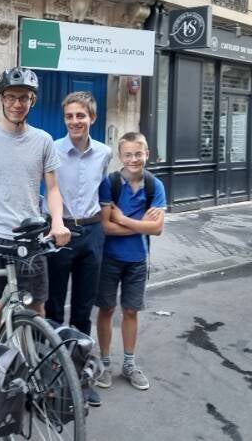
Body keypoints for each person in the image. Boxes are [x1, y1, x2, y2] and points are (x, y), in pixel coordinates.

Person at [0, 67, 70, 331]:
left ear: (33, 101)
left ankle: (28, 356)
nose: (17, 104)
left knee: (36, 312)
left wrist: (57, 222)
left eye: (24, 98)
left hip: (29, 240)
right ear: (1, 99)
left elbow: (53, 189)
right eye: (10, 97)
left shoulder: (43, 141)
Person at [44, 91, 111, 407]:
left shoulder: (105, 153)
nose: (74, 121)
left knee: (83, 311)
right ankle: (55, 377)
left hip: (92, 232)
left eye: (80, 115)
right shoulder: (52, 149)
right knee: (54, 309)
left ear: (92, 118)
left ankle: (81, 377)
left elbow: (104, 190)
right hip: (59, 232)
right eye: (69, 116)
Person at [94, 132, 166, 392]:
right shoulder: (109, 184)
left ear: (147, 154)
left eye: (138, 154)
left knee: (131, 311)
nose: (134, 159)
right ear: (120, 156)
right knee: (105, 309)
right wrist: (141, 225)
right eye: (128, 155)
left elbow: (157, 229)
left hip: (138, 260)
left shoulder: (155, 186)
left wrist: (123, 219)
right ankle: (104, 363)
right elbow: (105, 227)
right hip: (109, 259)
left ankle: (129, 364)